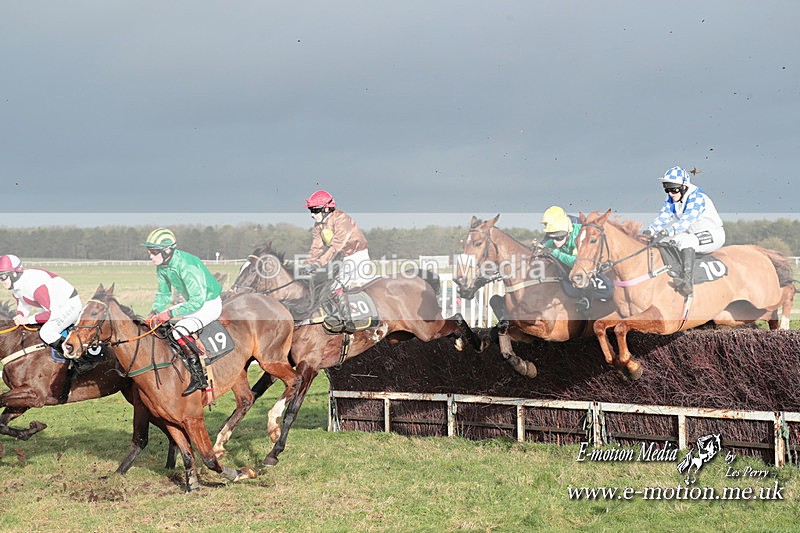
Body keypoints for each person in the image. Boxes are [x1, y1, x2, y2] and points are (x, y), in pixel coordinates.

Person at [143, 228, 223, 396]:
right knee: (157, 323)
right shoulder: (163, 266)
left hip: (208, 303)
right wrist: (155, 311)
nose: (150, 255)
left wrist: (169, 314)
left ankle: (198, 376)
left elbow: (197, 301)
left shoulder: (187, 265)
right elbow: (163, 293)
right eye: (149, 251)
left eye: (153, 252)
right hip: (193, 302)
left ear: (167, 251)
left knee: (180, 330)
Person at [643, 166, 725, 297]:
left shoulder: (697, 197)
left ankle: (687, 281)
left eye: (674, 189)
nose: (670, 193)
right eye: (667, 189)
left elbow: (686, 220)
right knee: (665, 241)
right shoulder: (671, 198)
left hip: (713, 234)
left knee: (686, 241)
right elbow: (663, 216)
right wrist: (650, 230)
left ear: (684, 187)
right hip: (692, 233)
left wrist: (666, 231)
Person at [303, 189, 370, 333]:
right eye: (311, 211)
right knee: (320, 282)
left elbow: (336, 247)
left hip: (356, 256)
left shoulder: (342, 219)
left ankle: (349, 322)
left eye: (315, 210)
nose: (312, 215)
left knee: (335, 285)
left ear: (326, 209)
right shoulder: (318, 226)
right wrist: (308, 264)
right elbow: (316, 248)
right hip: (339, 258)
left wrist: (319, 264)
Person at [0, 254, 82, 354]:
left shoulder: (33, 285)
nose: (1, 281)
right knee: (33, 327)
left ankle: (77, 357)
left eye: (3, 277)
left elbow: (52, 313)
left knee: (46, 332)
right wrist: (20, 316)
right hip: (54, 306)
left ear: (14, 274)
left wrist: (27, 319)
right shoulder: (16, 286)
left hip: (68, 305)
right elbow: (23, 305)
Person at [538, 206, 613, 314]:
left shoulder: (577, 235)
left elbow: (575, 262)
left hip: (587, 264)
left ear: (568, 233)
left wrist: (555, 252)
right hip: (576, 263)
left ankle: (586, 301)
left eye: (559, 237)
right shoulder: (559, 230)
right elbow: (546, 245)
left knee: (581, 275)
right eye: (551, 237)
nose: (555, 242)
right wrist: (539, 248)